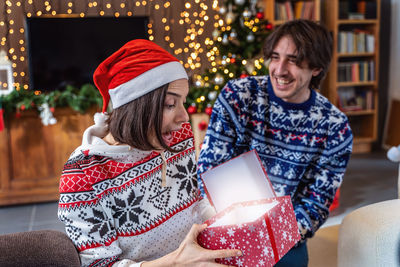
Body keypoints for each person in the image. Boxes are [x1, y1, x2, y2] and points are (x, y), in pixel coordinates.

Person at [58, 39, 241, 267]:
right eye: (170, 104)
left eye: (183, 102)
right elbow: (99, 265)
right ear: (137, 107)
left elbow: (194, 204)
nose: (184, 117)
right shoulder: (83, 176)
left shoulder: (176, 136)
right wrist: (175, 262)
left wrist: (229, 219)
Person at [197, 19, 353, 266]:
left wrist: (268, 238)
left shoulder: (334, 126)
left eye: (293, 60)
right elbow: (208, 170)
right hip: (223, 224)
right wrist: (229, 230)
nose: (279, 70)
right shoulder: (238, 96)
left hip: (284, 236)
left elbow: (315, 205)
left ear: (316, 68)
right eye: (275, 57)